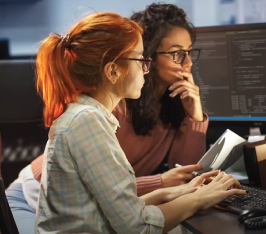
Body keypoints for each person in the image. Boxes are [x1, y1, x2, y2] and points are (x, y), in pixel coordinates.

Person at [32, 11, 245, 233]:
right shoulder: (88, 122)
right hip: (30, 191)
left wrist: (173, 192)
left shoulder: (89, 116)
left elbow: (108, 206)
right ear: (113, 71)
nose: (146, 68)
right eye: (141, 59)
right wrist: (198, 200)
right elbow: (138, 227)